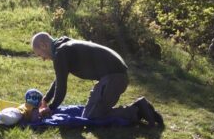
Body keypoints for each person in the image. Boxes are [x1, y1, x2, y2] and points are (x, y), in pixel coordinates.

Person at [30, 32, 164, 126]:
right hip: (113, 76)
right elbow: (59, 79)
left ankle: (137, 110)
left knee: (93, 117)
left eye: (40, 55)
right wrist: (45, 100)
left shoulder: (61, 53)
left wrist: (51, 109)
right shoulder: (63, 47)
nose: (43, 59)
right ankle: (138, 108)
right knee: (89, 114)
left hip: (115, 77)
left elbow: (62, 88)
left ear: (43, 45)